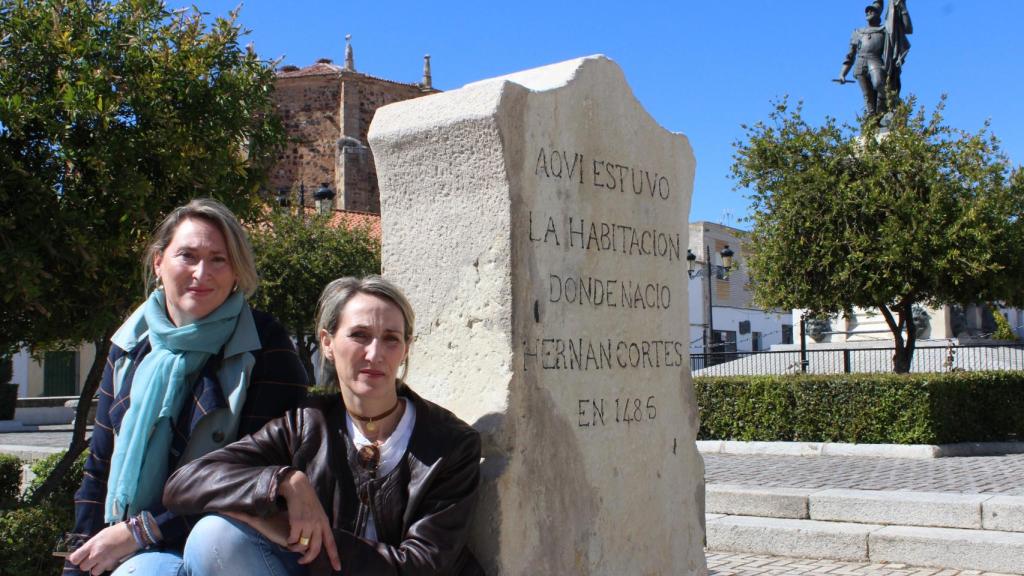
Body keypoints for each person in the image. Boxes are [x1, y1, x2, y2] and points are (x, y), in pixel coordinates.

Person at [163, 276, 484, 576]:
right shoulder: (305, 426)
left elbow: (422, 567)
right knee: (214, 536)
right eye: (359, 335)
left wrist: (298, 534)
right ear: (327, 343)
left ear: (405, 348)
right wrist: (283, 481)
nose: (375, 354)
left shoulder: (450, 444)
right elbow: (184, 484)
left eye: (391, 339)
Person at [64, 199, 310, 576]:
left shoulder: (265, 346)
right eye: (188, 255)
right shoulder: (130, 346)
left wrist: (141, 531)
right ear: (159, 263)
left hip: (235, 542)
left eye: (218, 260)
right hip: (148, 546)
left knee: (204, 542)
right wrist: (81, 559)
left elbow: (252, 482)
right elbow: (99, 467)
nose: (202, 272)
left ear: (236, 274)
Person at [837, 0, 913, 118]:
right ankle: (872, 119)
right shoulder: (858, 32)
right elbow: (850, 56)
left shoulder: (885, 30)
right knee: (867, 95)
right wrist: (842, 73)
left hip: (875, 61)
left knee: (878, 84)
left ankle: (885, 108)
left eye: (872, 10)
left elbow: (907, 29)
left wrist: (902, 8)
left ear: (879, 13)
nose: (869, 12)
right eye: (867, 10)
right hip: (860, 63)